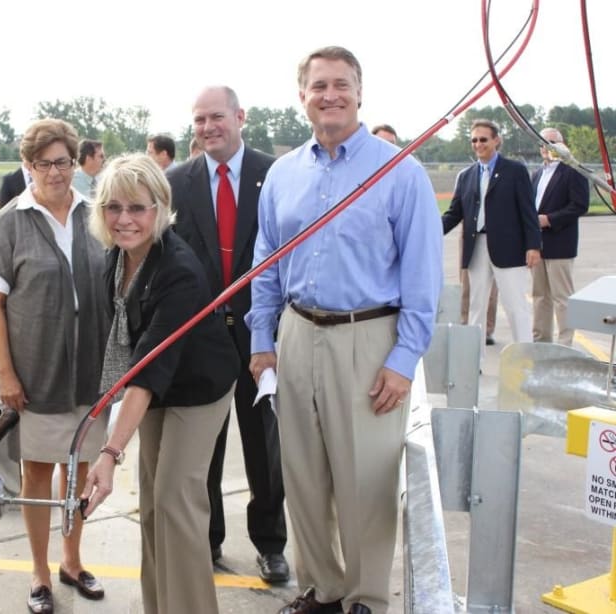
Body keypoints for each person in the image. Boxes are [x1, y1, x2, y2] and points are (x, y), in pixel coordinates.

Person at [247, 46, 442, 614]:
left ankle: (365, 597)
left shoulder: (399, 172)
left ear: (360, 93)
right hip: (296, 333)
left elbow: (423, 277)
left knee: (365, 480)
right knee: (302, 473)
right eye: (318, 85)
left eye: (341, 84)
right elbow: (265, 263)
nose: (329, 95)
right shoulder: (283, 175)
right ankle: (322, 589)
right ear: (302, 96)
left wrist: (404, 359)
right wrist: (263, 341)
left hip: (368, 338)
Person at [82, 154, 240, 614]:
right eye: (114, 207)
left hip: (199, 387)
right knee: (151, 506)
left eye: (138, 208)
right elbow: (130, 356)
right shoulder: (116, 258)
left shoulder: (179, 271)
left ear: (160, 208)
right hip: (157, 388)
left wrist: (110, 453)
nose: (124, 219)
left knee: (176, 501)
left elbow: (147, 372)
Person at [0, 119, 111, 614]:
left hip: (89, 371)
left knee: (78, 472)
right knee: (38, 473)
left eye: (63, 162)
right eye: (44, 164)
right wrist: (6, 374)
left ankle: (72, 561)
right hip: (34, 372)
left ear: (75, 162)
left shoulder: (95, 214)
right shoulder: (9, 222)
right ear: (28, 166)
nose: (55, 172)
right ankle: (39, 572)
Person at [168, 85, 290, 584]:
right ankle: (209, 539)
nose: (207, 128)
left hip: (262, 339)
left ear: (241, 117)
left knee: (265, 453)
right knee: (206, 452)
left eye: (216, 117)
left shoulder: (276, 175)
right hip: (203, 346)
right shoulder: (177, 181)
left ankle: (270, 544)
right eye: (198, 120)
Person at [443, 118, 541, 358]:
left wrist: (533, 245)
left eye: (483, 139)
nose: (478, 144)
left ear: (497, 140)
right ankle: (472, 363)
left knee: (515, 306)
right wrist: (427, 232)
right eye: (474, 140)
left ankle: (525, 362)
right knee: (476, 307)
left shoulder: (515, 171)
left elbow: (528, 211)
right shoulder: (466, 175)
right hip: (477, 249)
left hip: (509, 249)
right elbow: (455, 212)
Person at [531, 127, 590, 345]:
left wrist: (550, 219)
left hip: (560, 242)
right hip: (537, 244)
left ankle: (565, 343)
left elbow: (579, 205)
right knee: (539, 297)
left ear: (563, 145)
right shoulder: (537, 174)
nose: (547, 147)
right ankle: (541, 341)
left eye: (552, 142)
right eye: (544, 143)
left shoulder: (573, 171)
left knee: (562, 297)